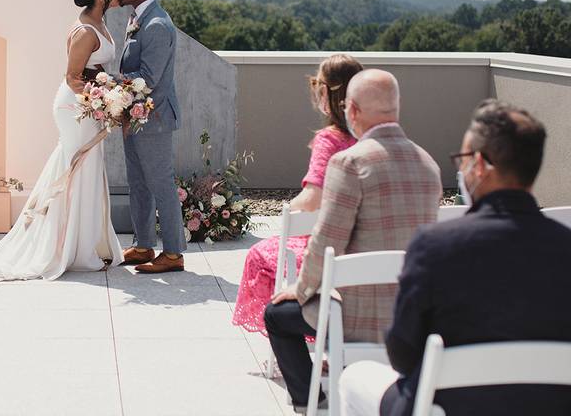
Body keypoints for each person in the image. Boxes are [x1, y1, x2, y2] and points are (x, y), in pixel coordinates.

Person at [340, 100, 571, 416]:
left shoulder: (435, 246)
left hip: (445, 407)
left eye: (463, 160)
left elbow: (403, 353)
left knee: (354, 377)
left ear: (478, 165)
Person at [265, 69, 442, 413]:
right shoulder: (429, 164)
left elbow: (326, 240)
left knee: (276, 314)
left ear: (354, 111)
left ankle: (310, 403)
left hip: (358, 316)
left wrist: (300, 290)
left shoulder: (349, 162)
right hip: (412, 313)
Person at [0, 0, 123, 281]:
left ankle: (86, 243)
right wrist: (106, 101)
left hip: (89, 104)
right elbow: (73, 78)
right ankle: (65, 247)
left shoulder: (99, 22)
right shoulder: (85, 31)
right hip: (76, 106)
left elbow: (94, 71)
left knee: (86, 168)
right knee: (75, 168)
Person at [232, 54, 363, 334]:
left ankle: (284, 332)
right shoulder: (368, 136)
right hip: (363, 245)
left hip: (328, 248)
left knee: (259, 255)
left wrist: (290, 207)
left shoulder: (330, 140)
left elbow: (312, 199)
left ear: (325, 93)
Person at [116, 0, 187, 274]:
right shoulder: (138, 17)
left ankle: (173, 253)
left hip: (153, 118)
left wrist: (109, 82)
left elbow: (149, 77)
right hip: (136, 117)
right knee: (138, 183)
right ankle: (144, 245)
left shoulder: (156, 24)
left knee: (161, 184)